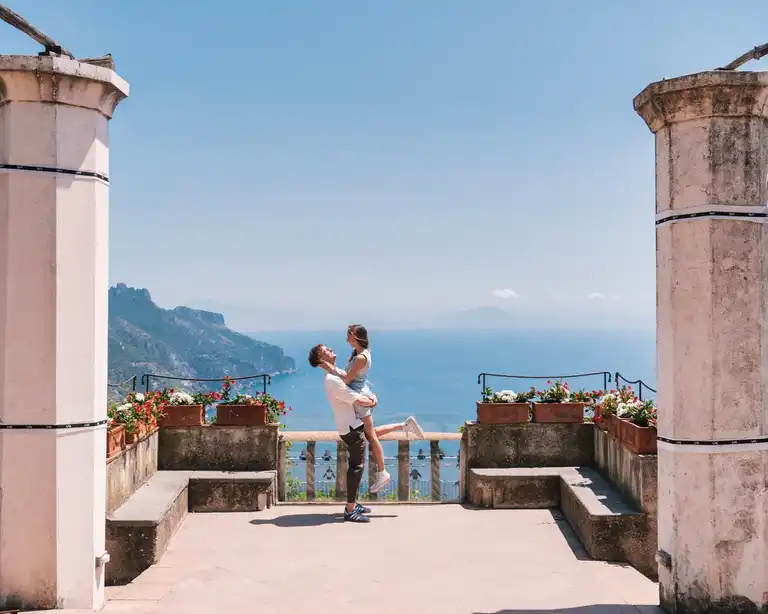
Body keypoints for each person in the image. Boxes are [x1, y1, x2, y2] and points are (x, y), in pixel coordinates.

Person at [309, 343, 421, 522]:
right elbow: (355, 397)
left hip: (352, 425)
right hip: (350, 428)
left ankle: (403, 425)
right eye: (327, 350)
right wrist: (372, 401)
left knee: (371, 434)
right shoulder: (332, 380)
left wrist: (369, 398)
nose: (331, 350)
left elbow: (348, 380)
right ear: (322, 358)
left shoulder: (333, 375)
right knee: (356, 468)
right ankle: (350, 509)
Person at [319, 324, 424, 493]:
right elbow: (350, 377)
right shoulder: (360, 354)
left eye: (348, 336)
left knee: (371, 437)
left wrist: (330, 370)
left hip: (360, 400)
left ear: (355, 336)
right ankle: (404, 426)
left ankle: (383, 472)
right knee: (370, 434)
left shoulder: (361, 357)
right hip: (362, 395)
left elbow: (346, 381)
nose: (346, 340)